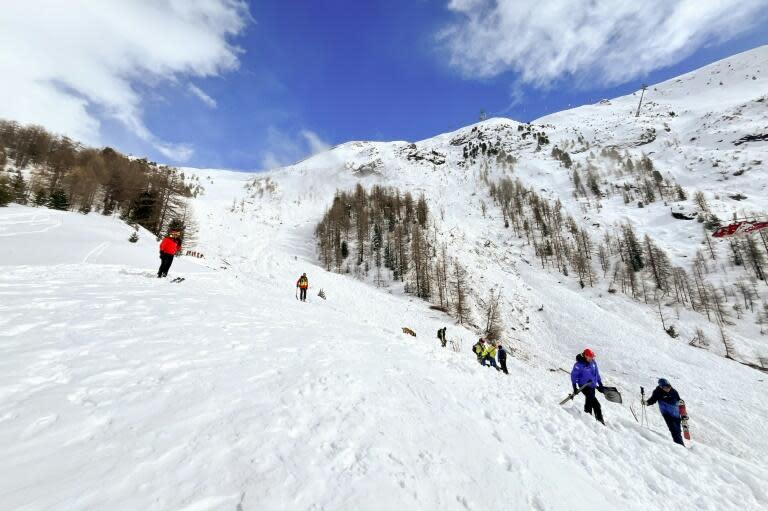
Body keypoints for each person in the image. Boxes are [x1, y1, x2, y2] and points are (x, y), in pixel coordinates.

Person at [645, 378, 685, 446]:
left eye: (669, 386)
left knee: (678, 431)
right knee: (674, 430)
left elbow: (679, 401)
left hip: (676, 414)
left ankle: (680, 446)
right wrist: (646, 403)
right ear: (661, 387)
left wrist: (683, 414)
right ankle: (680, 447)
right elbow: (652, 400)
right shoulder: (657, 392)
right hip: (667, 414)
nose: (667, 388)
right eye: (665, 387)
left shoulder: (674, 391)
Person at [570, 348, 605, 424]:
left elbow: (597, 374)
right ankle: (600, 421)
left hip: (592, 385)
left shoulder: (593, 362)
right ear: (585, 356)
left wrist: (600, 384)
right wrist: (574, 387)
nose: (592, 358)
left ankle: (587, 418)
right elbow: (574, 376)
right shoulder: (578, 365)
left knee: (589, 402)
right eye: (590, 357)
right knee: (596, 404)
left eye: (592, 356)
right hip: (584, 386)